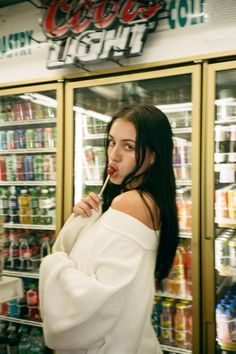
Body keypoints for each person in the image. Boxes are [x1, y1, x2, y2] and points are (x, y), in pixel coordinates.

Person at [39, 104, 179, 354]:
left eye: (128, 147)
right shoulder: (141, 201)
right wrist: (83, 220)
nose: (113, 155)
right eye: (112, 142)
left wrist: (52, 264)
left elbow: (92, 301)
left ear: (154, 155)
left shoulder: (131, 203)